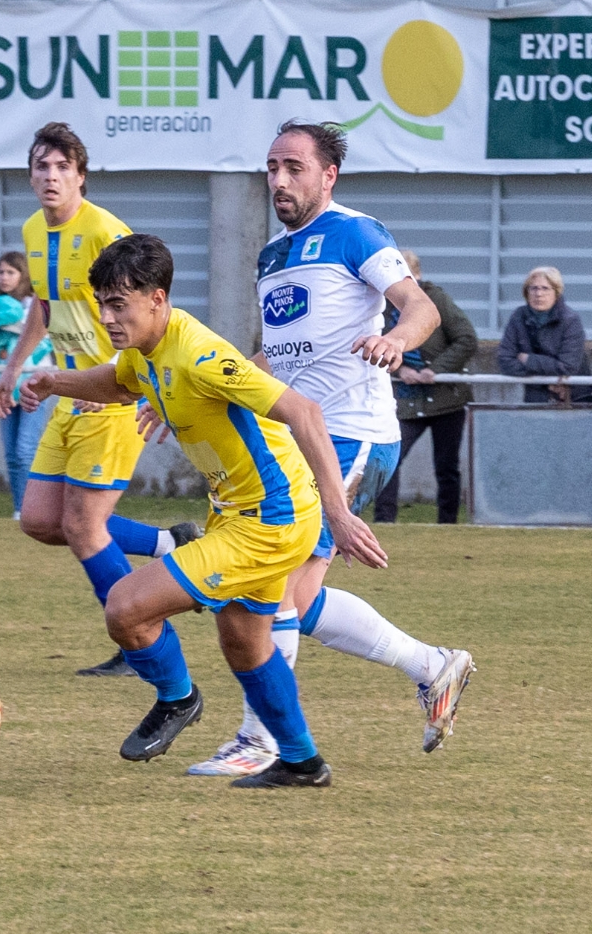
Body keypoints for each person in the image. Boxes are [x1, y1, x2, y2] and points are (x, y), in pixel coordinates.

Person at [20, 234, 390, 788]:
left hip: (273, 517)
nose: (106, 318)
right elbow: (119, 382)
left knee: (126, 608)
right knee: (244, 641)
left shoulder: (200, 355)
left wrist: (337, 514)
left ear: (157, 299)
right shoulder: (147, 349)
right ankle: (302, 763)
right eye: (101, 304)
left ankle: (178, 698)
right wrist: (55, 381)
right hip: (239, 512)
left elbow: (305, 412)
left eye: (118, 304)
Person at [188, 122, 474, 777]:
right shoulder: (272, 255)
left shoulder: (355, 233)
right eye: (272, 167)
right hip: (298, 440)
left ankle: (262, 741)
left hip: (353, 433)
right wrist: (207, 389)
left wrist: (396, 340)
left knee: (278, 588)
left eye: (294, 167)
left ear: (328, 175)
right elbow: (278, 358)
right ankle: (433, 665)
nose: (279, 180)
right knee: (301, 600)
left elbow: (420, 309)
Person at [0, 123, 195, 678]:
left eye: (63, 167)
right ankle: (168, 542)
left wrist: (139, 385)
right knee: (39, 520)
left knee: (83, 525)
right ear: (30, 175)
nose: (51, 176)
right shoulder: (33, 229)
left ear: (81, 176)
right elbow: (44, 305)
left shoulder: (105, 230)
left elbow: (152, 309)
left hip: (112, 396)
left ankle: (142, 638)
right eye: (42, 166)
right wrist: (13, 368)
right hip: (68, 392)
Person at [373, 249, 476, 525]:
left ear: (416, 274)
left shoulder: (436, 299)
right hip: (406, 400)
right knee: (391, 457)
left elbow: (466, 338)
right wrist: (400, 369)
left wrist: (436, 370)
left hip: (446, 398)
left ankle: (448, 524)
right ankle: (384, 520)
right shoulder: (381, 305)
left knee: (446, 466)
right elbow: (377, 344)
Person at [0, 251, 55, 517]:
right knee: (11, 453)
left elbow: (32, 333)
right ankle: (21, 509)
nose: (4, 277)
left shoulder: (32, 305)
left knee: (25, 450)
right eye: (0, 272)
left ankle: (35, 508)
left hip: (33, 384)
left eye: (11, 272)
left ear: (24, 276)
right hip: (6, 385)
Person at [497, 266, 592, 403]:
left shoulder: (570, 320)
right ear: (526, 292)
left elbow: (568, 366)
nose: (539, 294)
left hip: (574, 398)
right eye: (533, 288)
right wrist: (547, 381)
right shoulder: (518, 316)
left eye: (545, 288)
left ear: (556, 292)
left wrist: (527, 359)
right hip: (536, 398)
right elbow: (505, 360)